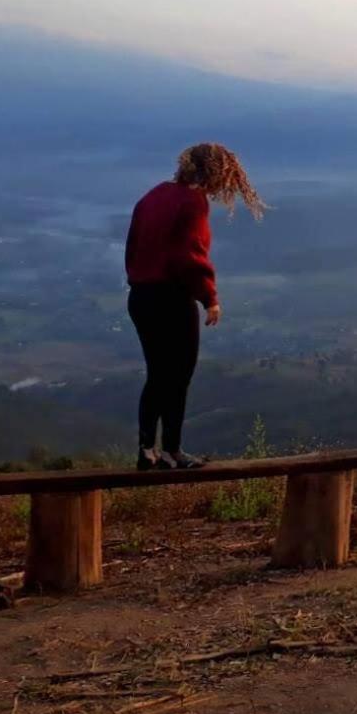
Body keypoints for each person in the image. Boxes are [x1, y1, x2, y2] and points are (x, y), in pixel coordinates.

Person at [124, 143, 264, 470]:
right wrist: (209, 298)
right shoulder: (192, 202)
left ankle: (147, 451)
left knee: (157, 375)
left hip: (141, 297)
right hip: (171, 299)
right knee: (178, 376)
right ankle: (172, 451)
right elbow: (190, 256)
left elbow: (133, 245)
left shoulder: (154, 194)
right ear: (217, 173)